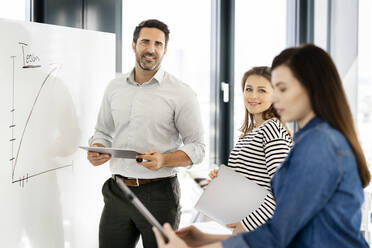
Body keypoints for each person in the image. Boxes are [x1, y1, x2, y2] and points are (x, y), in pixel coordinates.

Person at [152, 44, 371, 247]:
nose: (275, 98)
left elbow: (278, 234)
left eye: (282, 89)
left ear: (311, 89)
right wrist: (205, 238)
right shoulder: (314, 139)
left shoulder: (319, 145)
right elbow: (294, 231)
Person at [86, 19, 205, 248]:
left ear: (165, 50)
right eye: (145, 42)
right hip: (117, 191)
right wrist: (98, 147)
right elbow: (102, 131)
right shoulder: (114, 87)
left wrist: (164, 159)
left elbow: (198, 147)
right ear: (134, 45)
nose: (151, 49)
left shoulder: (181, 93)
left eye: (158, 44)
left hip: (160, 194)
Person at [208, 66, 292, 234]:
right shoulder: (250, 133)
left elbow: (284, 190)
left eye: (262, 90)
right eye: (248, 89)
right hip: (249, 228)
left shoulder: (272, 130)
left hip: (261, 229)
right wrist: (223, 180)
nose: (253, 96)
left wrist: (246, 224)